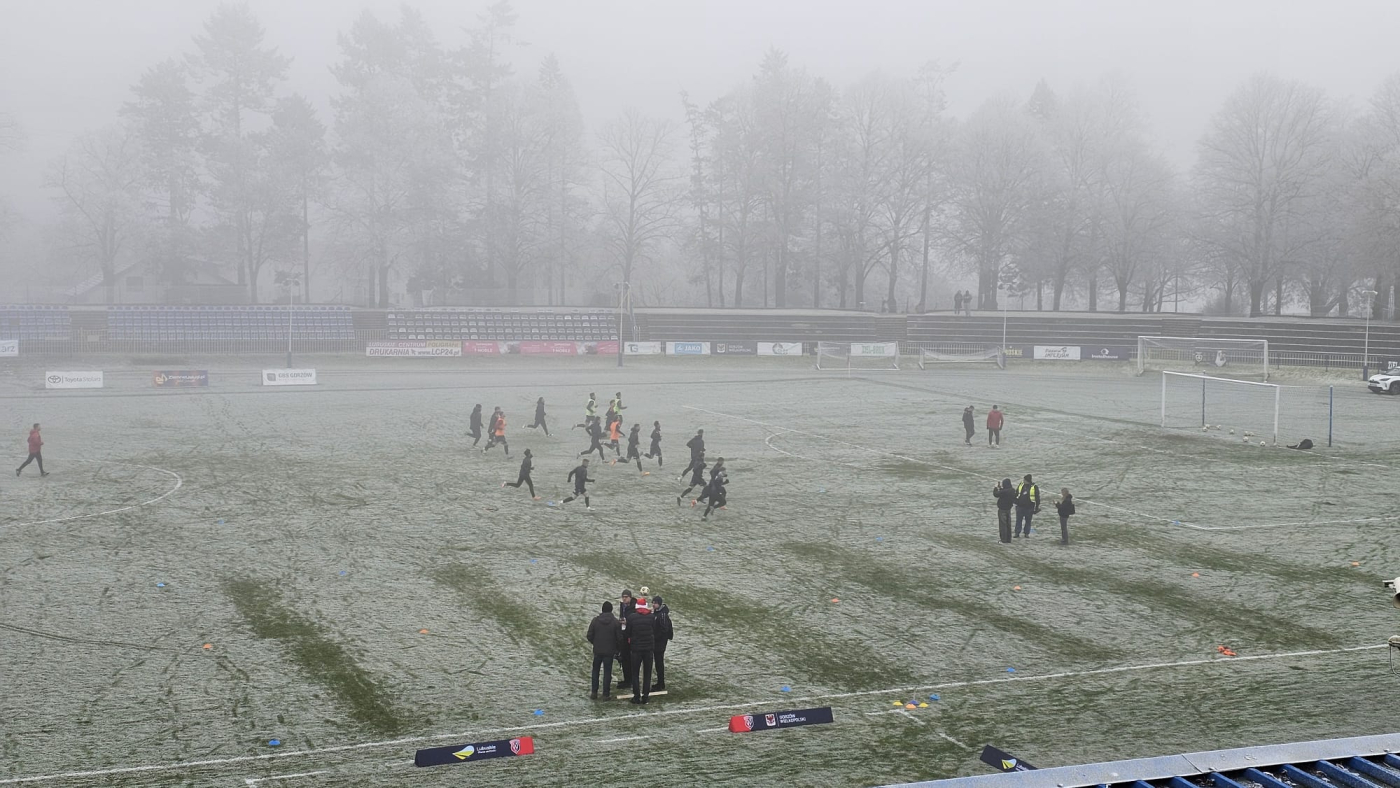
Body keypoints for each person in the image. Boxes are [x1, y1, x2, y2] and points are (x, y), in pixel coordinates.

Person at [586, 601, 623, 700]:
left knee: (595, 671)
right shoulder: (615, 622)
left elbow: (589, 635)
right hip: (609, 651)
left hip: (598, 650)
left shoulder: (595, 621)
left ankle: (594, 692)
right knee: (607, 672)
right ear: (611, 610)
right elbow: (619, 638)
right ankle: (606, 694)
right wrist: (616, 649)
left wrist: (595, 643)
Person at [624, 597, 657, 704]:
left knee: (635, 673)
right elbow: (654, 631)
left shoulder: (632, 618)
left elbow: (627, 633)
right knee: (647, 674)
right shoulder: (651, 617)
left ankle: (636, 696)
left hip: (636, 649)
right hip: (648, 649)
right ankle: (645, 696)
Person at [650, 596, 673, 692]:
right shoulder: (658, 613)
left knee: (659, 663)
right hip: (658, 642)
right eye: (653, 603)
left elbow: (664, 630)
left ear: (659, 604)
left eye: (655, 603)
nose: (653, 605)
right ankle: (660, 683)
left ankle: (661, 683)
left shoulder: (662, 615)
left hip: (660, 643)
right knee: (658, 662)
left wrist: (655, 638)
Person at [616, 589, 636, 690]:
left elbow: (636, 621)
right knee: (624, 658)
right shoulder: (622, 606)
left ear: (630, 597)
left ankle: (630, 680)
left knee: (629, 659)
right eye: (623, 597)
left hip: (630, 636)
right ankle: (627, 679)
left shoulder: (634, 607)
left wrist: (627, 622)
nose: (624, 599)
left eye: (626, 597)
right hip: (623, 634)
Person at [1014, 474, 1039, 538]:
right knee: (1018, 520)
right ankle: (1017, 533)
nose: (1023, 481)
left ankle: (1026, 533)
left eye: (1024, 480)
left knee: (1028, 521)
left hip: (1029, 507)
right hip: (1020, 506)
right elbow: (1016, 493)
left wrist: (1036, 507)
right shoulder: (1021, 485)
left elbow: (1037, 497)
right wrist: (1015, 501)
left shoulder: (1034, 487)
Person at [993, 477, 1015, 543]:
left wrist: (995, 488)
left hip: (1002, 509)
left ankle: (1003, 539)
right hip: (1008, 509)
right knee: (1008, 525)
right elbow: (1004, 491)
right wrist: (1000, 488)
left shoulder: (1004, 491)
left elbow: (996, 494)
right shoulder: (1012, 490)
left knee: (1003, 525)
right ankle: (1008, 539)